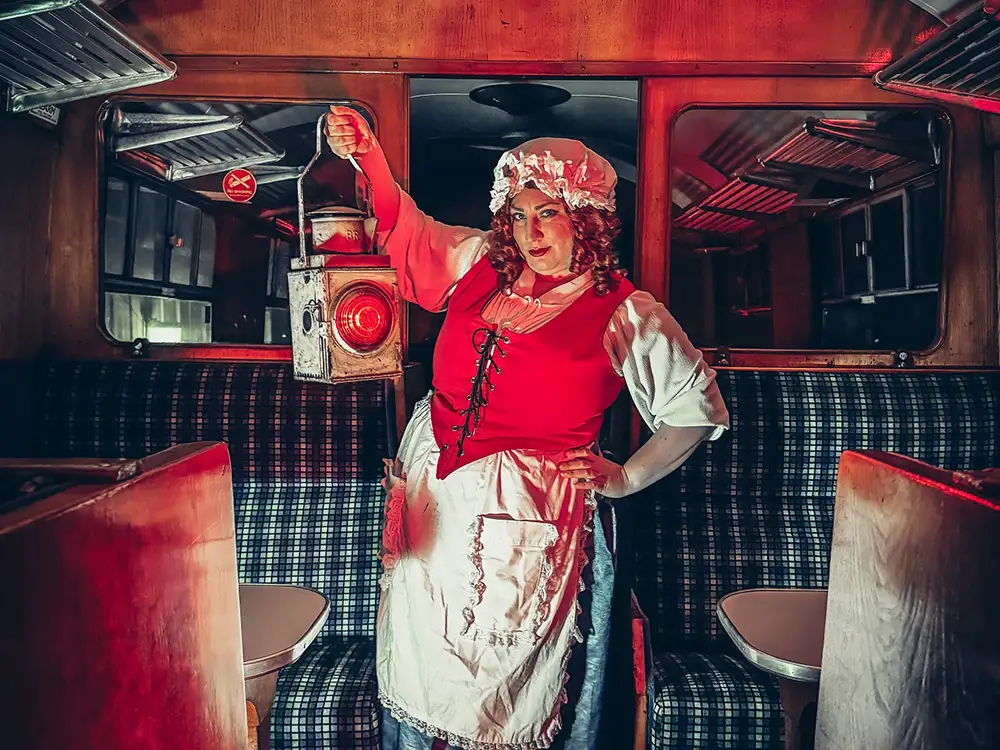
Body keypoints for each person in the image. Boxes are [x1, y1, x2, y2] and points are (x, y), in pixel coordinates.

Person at [323, 105, 729, 750]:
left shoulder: (625, 311)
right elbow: (408, 231)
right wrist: (367, 154)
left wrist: (625, 478)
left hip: (531, 515)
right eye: (517, 214)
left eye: (547, 212)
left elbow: (695, 410)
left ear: (586, 218)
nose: (529, 230)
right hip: (435, 495)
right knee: (425, 652)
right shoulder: (478, 264)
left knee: (506, 679)